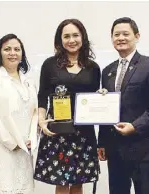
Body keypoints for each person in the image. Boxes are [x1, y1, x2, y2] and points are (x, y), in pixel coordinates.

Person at [97, 17, 149, 194]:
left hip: (143, 148)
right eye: (116, 34)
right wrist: (102, 143)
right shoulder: (107, 71)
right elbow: (107, 110)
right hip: (115, 149)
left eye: (125, 34)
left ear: (137, 36)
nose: (120, 38)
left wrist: (135, 126)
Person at [34, 18, 101, 194]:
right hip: (58, 129)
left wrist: (102, 97)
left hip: (83, 132)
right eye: (66, 36)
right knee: (61, 182)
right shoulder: (50, 64)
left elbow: (94, 100)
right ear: (60, 40)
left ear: (83, 37)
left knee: (79, 182)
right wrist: (41, 121)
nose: (71, 40)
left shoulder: (93, 68)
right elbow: (42, 96)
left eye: (75, 35)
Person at [0, 33, 38, 194]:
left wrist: (31, 138)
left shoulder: (28, 79)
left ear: (22, 54)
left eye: (17, 49)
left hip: (25, 149)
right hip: (1, 147)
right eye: (7, 49)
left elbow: (35, 112)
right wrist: (12, 142)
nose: (13, 53)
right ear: (0, 52)